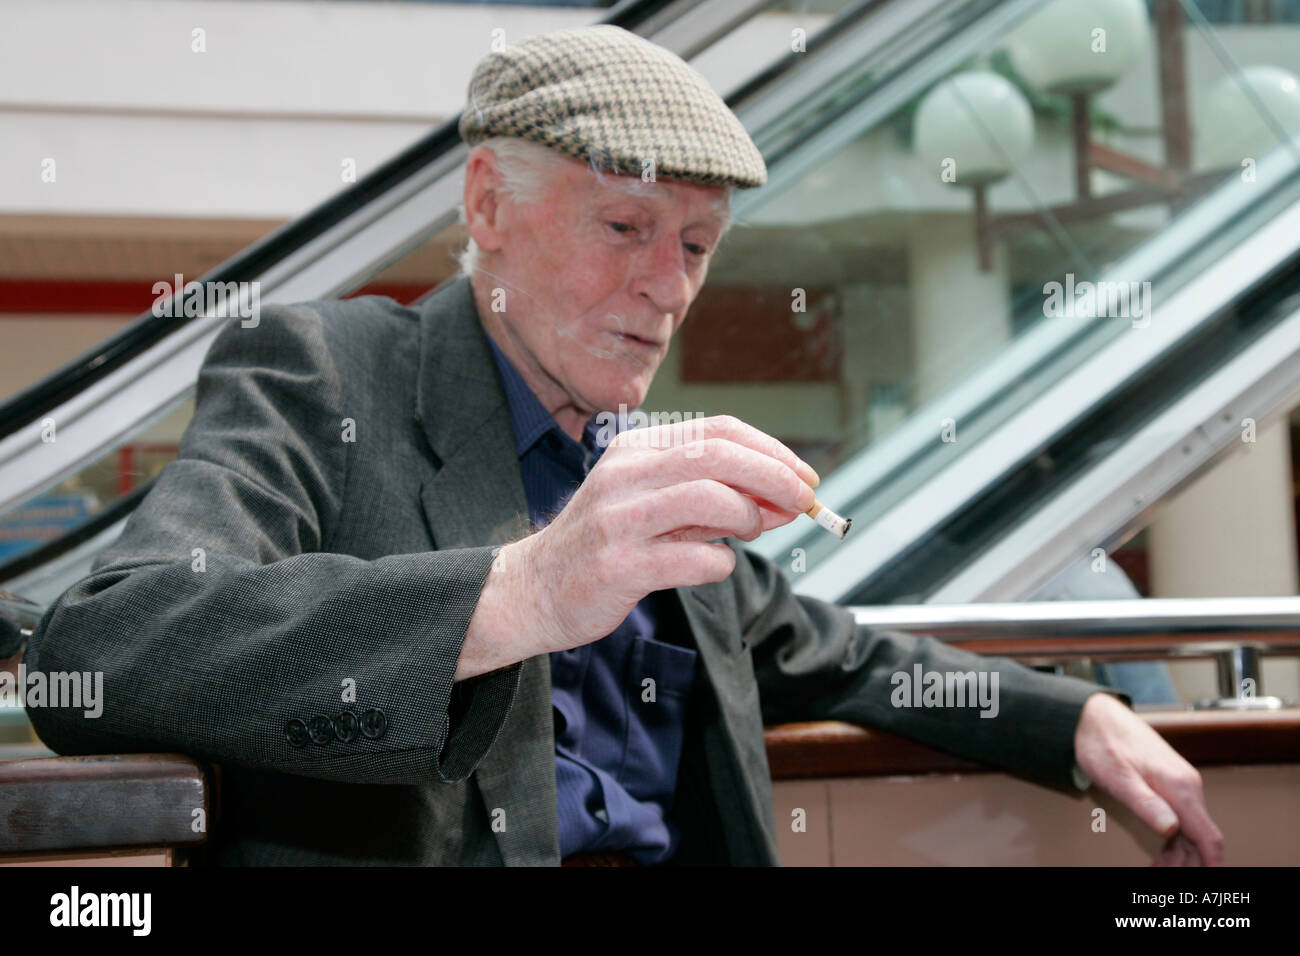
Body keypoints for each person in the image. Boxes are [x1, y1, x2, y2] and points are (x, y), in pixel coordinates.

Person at [24, 24, 1222, 866]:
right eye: (625, 224)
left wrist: (1070, 719)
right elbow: (108, 650)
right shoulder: (325, 375)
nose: (667, 287)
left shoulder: (638, 463)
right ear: (488, 203)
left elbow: (837, 657)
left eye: (697, 245)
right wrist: (527, 588)